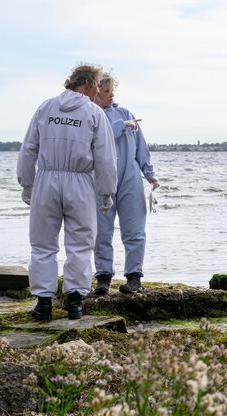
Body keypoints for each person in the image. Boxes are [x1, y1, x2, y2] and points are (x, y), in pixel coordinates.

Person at [17, 63, 117, 321]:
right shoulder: (95, 113)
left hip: (47, 179)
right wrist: (107, 191)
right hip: (81, 182)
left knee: (42, 243)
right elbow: (105, 157)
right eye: (97, 84)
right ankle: (75, 302)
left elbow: (29, 148)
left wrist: (27, 183)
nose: (98, 90)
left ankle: (43, 303)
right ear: (87, 84)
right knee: (81, 243)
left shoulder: (46, 107)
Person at [91, 73, 160, 295]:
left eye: (113, 92)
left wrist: (149, 173)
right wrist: (122, 126)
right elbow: (98, 140)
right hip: (101, 179)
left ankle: (134, 278)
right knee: (101, 232)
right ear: (95, 91)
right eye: (106, 92)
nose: (111, 96)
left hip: (130, 177)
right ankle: (103, 277)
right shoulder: (91, 115)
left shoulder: (124, 113)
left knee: (135, 230)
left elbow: (141, 146)